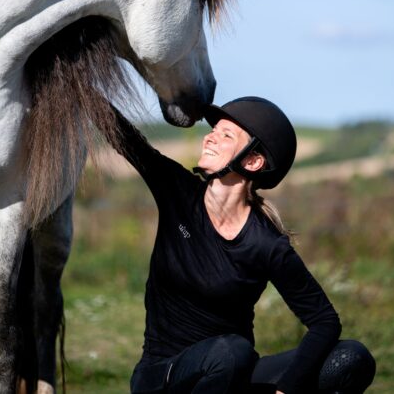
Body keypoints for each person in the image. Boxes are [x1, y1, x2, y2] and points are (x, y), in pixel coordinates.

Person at [110, 96, 376, 393]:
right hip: (161, 377)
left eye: (226, 135)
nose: (210, 137)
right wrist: (79, 80)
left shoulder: (265, 243)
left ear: (252, 161)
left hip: (230, 374)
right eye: (213, 130)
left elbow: (324, 321)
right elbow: (125, 138)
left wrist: (285, 388)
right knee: (232, 352)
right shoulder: (178, 192)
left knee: (350, 359)